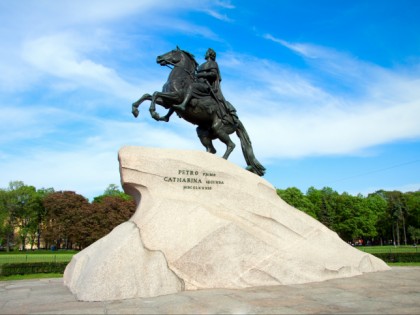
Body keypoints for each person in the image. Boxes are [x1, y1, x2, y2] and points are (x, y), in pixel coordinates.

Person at [173, 48, 237, 124]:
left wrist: (201, 74)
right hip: (199, 84)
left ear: (210, 54)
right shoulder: (203, 65)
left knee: (192, 87)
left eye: (206, 53)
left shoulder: (213, 63)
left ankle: (183, 105)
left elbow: (213, 74)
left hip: (206, 86)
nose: (205, 54)